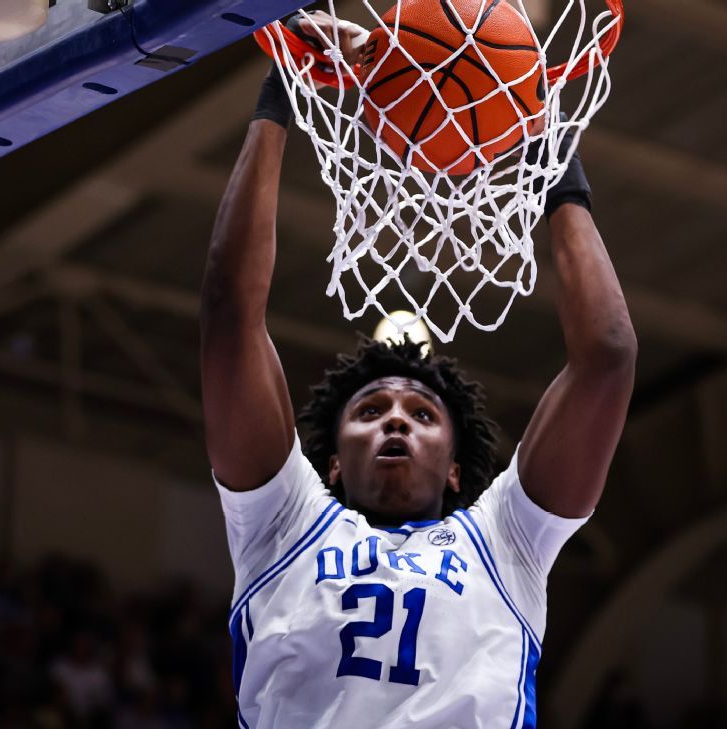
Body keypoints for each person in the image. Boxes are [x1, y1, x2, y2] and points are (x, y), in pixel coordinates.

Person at [199, 15, 636, 728]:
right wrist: (285, 85)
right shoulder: (281, 520)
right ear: (332, 464)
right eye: (371, 411)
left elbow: (608, 356)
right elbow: (228, 314)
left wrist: (548, 139)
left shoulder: (508, 541)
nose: (396, 420)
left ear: (457, 469)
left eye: (422, 414)